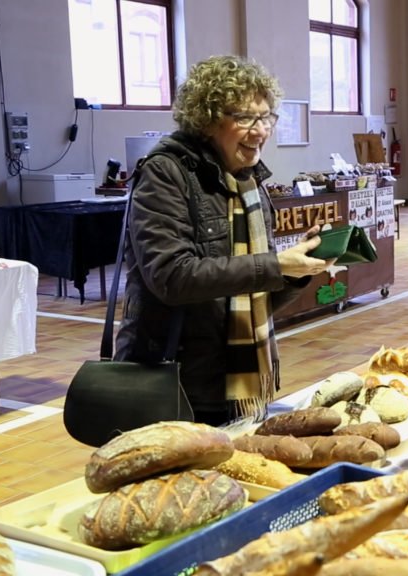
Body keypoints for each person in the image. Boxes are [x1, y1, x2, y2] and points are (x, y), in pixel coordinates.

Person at [115, 55, 335, 425]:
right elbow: (171, 277)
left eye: (266, 117)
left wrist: (295, 271)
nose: (260, 130)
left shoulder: (248, 184)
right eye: (245, 117)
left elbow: (252, 297)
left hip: (239, 385)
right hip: (175, 383)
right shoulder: (165, 174)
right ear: (208, 119)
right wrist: (275, 265)